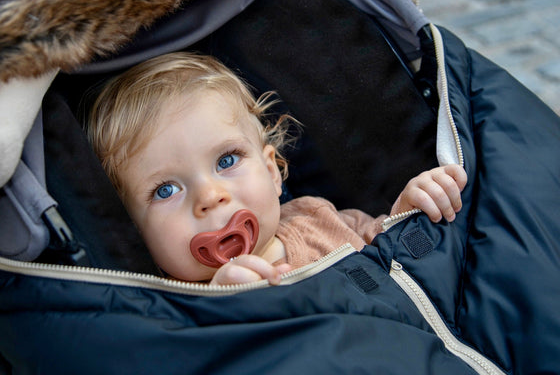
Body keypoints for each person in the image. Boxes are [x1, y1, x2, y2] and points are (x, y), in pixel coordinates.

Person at [86, 52, 467, 286]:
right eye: (166, 189)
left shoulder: (319, 219)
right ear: (133, 228)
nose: (209, 196)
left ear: (272, 170)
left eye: (226, 160)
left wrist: (408, 214)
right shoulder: (170, 310)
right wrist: (229, 306)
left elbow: (395, 259)